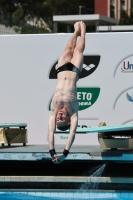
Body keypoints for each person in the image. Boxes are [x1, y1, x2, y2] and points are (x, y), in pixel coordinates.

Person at [48, 21, 86, 164]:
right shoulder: (74, 111)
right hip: (74, 71)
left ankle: (75, 31)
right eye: (61, 119)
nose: (58, 117)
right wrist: (65, 153)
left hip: (61, 70)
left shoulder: (53, 110)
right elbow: (72, 133)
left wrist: (52, 152)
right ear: (68, 119)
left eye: (58, 119)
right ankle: (83, 31)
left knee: (68, 47)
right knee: (78, 50)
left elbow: (50, 133)